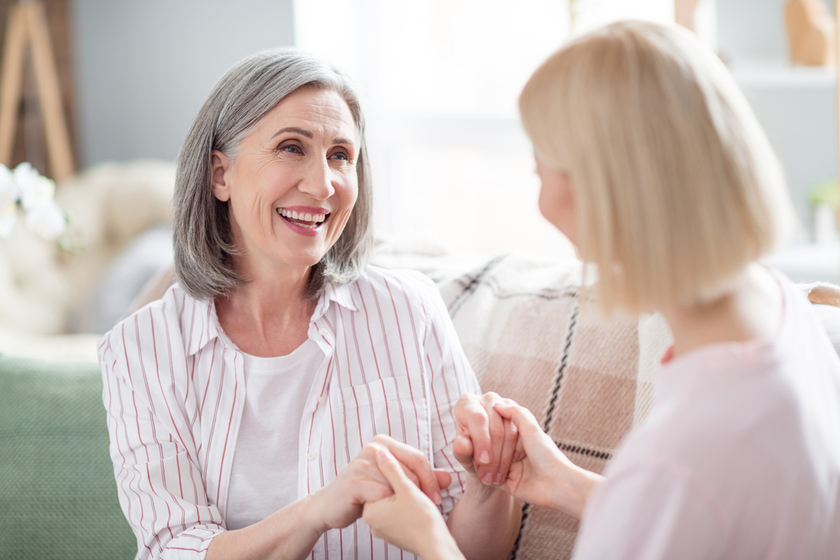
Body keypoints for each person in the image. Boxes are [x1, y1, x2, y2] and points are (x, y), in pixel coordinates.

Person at [362, 20, 840, 559]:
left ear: (600, 190)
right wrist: (565, 482)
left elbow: (681, 490)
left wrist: (428, 538)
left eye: (540, 169)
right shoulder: (778, 308)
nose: (541, 202)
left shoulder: (677, 458)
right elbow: (714, 521)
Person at [98, 49, 519, 560]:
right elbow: (174, 547)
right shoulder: (140, 348)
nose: (323, 185)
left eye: (340, 155)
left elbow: (464, 550)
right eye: (291, 148)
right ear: (220, 175)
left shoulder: (411, 311)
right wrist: (319, 509)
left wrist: (489, 484)